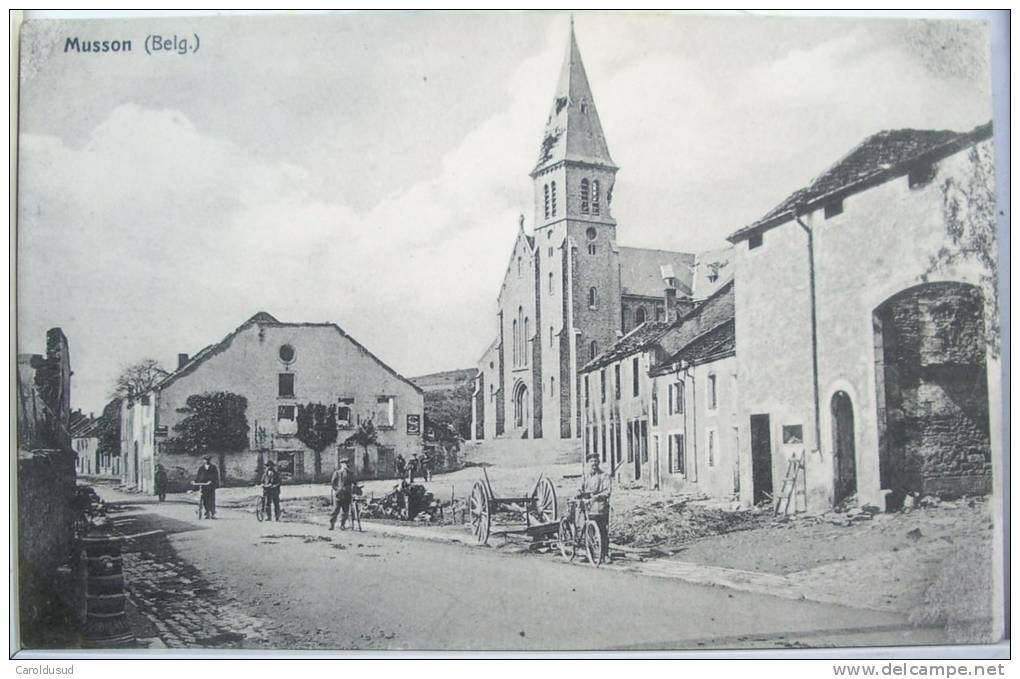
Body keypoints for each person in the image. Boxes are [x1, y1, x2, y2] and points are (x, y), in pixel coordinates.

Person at [578, 454, 612, 563]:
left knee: (602, 531)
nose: (594, 463)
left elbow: (607, 491)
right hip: (588, 507)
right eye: (591, 461)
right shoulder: (585, 476)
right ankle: (589, 554)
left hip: (600, 508)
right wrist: (579, 494)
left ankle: (604, 555)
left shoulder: (604, 476)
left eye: (596, 461)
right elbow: (580, 488)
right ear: (588, 463)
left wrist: (596, 497)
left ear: (599, 462)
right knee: (589, 531)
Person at [329, 458, 354, 530]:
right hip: (339, 495)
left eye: (346, 464)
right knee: (335, 510)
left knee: (345, 511)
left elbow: (354, 482)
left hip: (347, 495)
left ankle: (342, 524)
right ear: (341, 464)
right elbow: (333, 483)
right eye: (343, 464)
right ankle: (332, 524)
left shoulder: (350, 473)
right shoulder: (337, 473)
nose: (345, 465)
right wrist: (337, 490)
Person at [194, 455, 220, 519]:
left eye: (208, 460)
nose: (206, 461)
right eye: (205, 460)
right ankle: (207, 512)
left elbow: (216, 477)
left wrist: (212, 482)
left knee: (211, 499)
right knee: (204, 499)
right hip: (203, 486)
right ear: (203, 460)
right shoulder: (201, 468)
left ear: (210, 460)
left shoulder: (213, 467)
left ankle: (213, 513)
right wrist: (195, 482)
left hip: (210, 486)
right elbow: (198, 477)